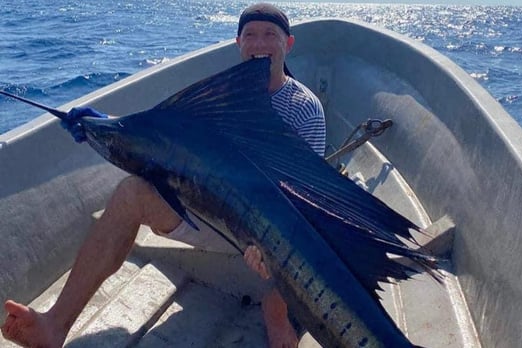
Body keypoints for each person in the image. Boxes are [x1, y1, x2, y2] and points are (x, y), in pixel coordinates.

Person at [0, 3, 325, 348]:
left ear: (288, 44)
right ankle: (53, 325)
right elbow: (172, 144)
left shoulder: (303, 108)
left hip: (275, 236)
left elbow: (301, 203)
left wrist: (267, 248)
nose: (260, 44)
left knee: (277, 311)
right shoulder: (221, 98)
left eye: (270, 35)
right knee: (131, 193)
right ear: (238, 44)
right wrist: (105, 126)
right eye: (251, 35)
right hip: (218, 215)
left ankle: (279, 310)